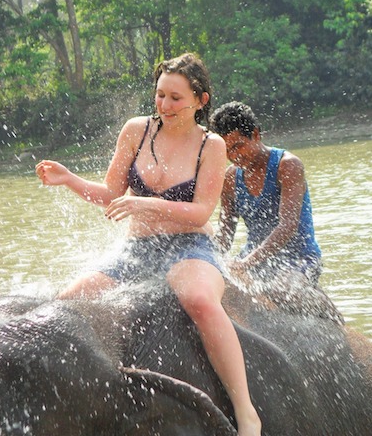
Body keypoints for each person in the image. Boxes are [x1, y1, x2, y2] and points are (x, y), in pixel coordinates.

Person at [35, 54, 261, 436]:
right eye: (159, 95)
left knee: (200, 301)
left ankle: (245, 410)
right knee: (67, 302)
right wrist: (69, 179)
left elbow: (202, 213)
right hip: (136, 250)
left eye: (176, 98)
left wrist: (144, 203)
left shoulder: (213, 145)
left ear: (200, 100)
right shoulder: (136, 131)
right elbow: (110, 194)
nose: (165, 106)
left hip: (189, 246)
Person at [210, 101, 322, 288]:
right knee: (217, 286)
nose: (233, 155)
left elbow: (288, 225)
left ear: (255, 134)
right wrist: (209, 260)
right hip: (255, 259)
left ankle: (321, 304)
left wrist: (247, 263)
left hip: (299, 257)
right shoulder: (230, 178)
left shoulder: (287, 166)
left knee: (283, 289)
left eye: (238, 146)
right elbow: (225, 234)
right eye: (227, 150)